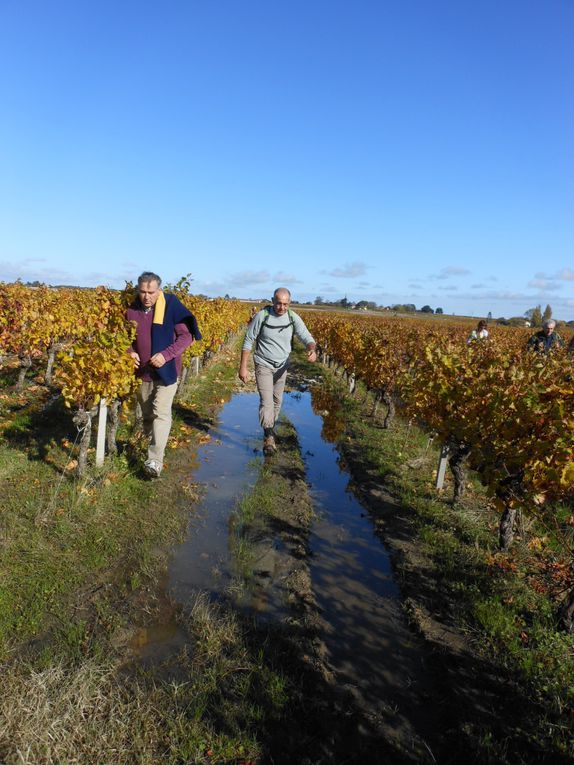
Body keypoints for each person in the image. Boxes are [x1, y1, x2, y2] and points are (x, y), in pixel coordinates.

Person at [127, 271, 200, 477]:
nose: (147, 296)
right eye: (142, 291)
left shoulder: (170, 307)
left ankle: (154, 460)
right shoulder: (131, 310)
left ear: (159, 290)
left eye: (151, 292)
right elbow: (123, 338)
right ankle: (150, 442)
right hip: (143, 372)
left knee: (161, 412)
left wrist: (165, 355)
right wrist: (130, 352)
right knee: (148, 413)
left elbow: (186, 338)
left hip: (167, 370)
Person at [238, 287, 317, 454]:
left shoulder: (292, 317)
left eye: (285, 304)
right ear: (273, 301)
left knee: (277, 401)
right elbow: (248, 340)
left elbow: (306, 336)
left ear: (290, 303)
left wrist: (311, 348)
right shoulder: (263, 316)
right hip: (263, 363)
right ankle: (268, 436)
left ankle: (270, 428)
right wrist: (243, 367)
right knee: (266, 401)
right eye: (279, 303)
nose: (282, 307)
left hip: (282, 365)